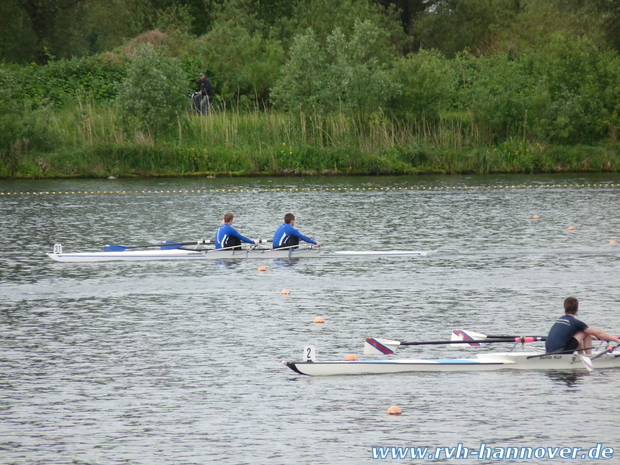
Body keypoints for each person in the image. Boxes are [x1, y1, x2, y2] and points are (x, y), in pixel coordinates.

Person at [545, 297, 619, 354]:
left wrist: (591, 337)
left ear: (565, 309)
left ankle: (581, 356)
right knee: (585, 332)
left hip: (548, 351)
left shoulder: (560, 319)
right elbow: (599, 334)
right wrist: (617, 340)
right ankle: (588, 357)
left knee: (581, 331)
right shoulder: (576, 323)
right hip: (560, 353)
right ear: (577, 309)